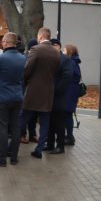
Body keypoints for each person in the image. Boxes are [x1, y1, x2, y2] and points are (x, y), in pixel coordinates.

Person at [0, 33, 25, 167]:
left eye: (2, 42)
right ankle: (14, 157)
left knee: (2, 127)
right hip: (17, 96)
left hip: (3, 97)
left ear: (6, 43)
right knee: (15, 127)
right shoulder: (22, 58)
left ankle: (1, 159)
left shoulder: (0, 59)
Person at [22, 28, 60, 158]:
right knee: (45, 122)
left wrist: (26, 80)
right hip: (48, 91)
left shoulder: (36, 49)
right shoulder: (56, 53)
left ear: (41, 36)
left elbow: (27, 69)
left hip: (33, 90)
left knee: (23, 118)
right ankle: (39, 149)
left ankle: (11, 147)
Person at [44, 38, 72, 154]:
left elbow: (67, 77)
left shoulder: (65, 59)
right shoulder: (48, 58)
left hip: (59, 96)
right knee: (49, 122)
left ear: (59, 46)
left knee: (59, 123)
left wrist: (56, 90)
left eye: (54, 45)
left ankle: (60, 146)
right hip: (48, 96)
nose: (52, 47)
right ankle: (50, 144)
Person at [62, 44, 82, 145]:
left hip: (69, 92)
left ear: (69, 52)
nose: (63, 52)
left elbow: (68, 77)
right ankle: (69, 136)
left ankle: (69, 136)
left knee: (67, 114)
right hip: (72, 92)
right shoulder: (74, 62)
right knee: (68, 114)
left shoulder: (71, 62)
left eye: (64, 50)